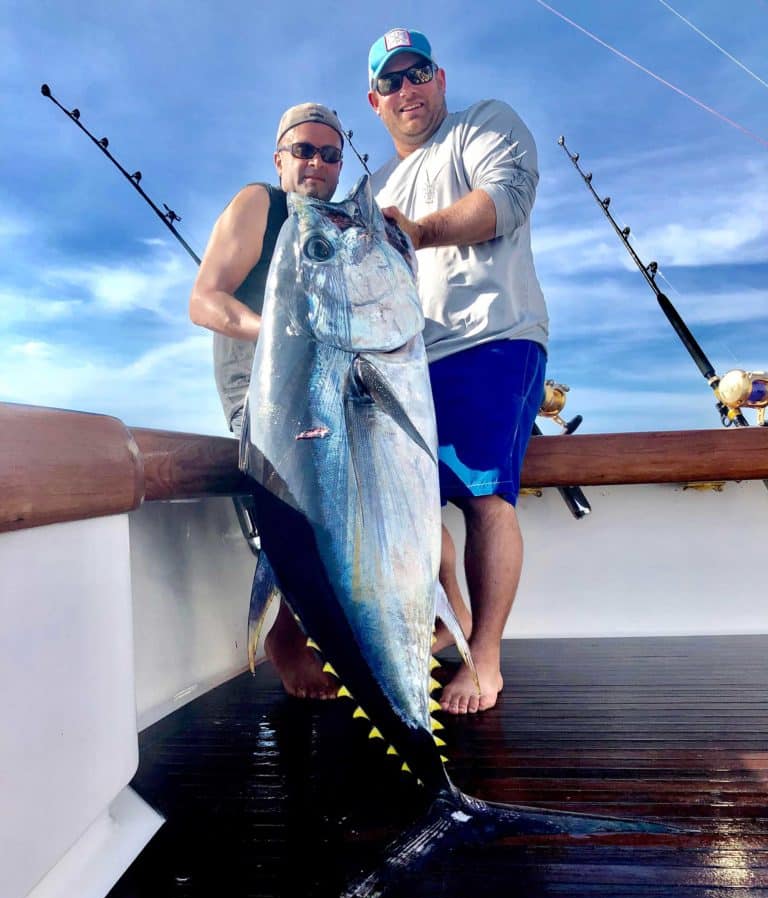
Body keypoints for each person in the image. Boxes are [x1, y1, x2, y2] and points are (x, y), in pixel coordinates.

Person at [366, 28, 549, 715]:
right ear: (375, 99)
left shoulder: (483, 124)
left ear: (440, 78)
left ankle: (489, 660)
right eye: (392, 81)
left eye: (418, 74)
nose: (407, 90)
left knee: (481, 497)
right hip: (404, 360)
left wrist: (417, 231)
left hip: (490, 340)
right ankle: (452, 622)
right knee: (412, 507)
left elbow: (505, 201)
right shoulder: (372, 184)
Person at [189, 102, 345, 699]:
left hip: (324, 390)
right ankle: (284, 638)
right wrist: (275, 331)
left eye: (330, 154)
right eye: (303, 150)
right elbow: (204, 301)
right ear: (279, 158)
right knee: (290, 502)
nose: (316, 163)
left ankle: (429, 619)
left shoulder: (335, 225)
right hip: (262, 392)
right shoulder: (260, 202)